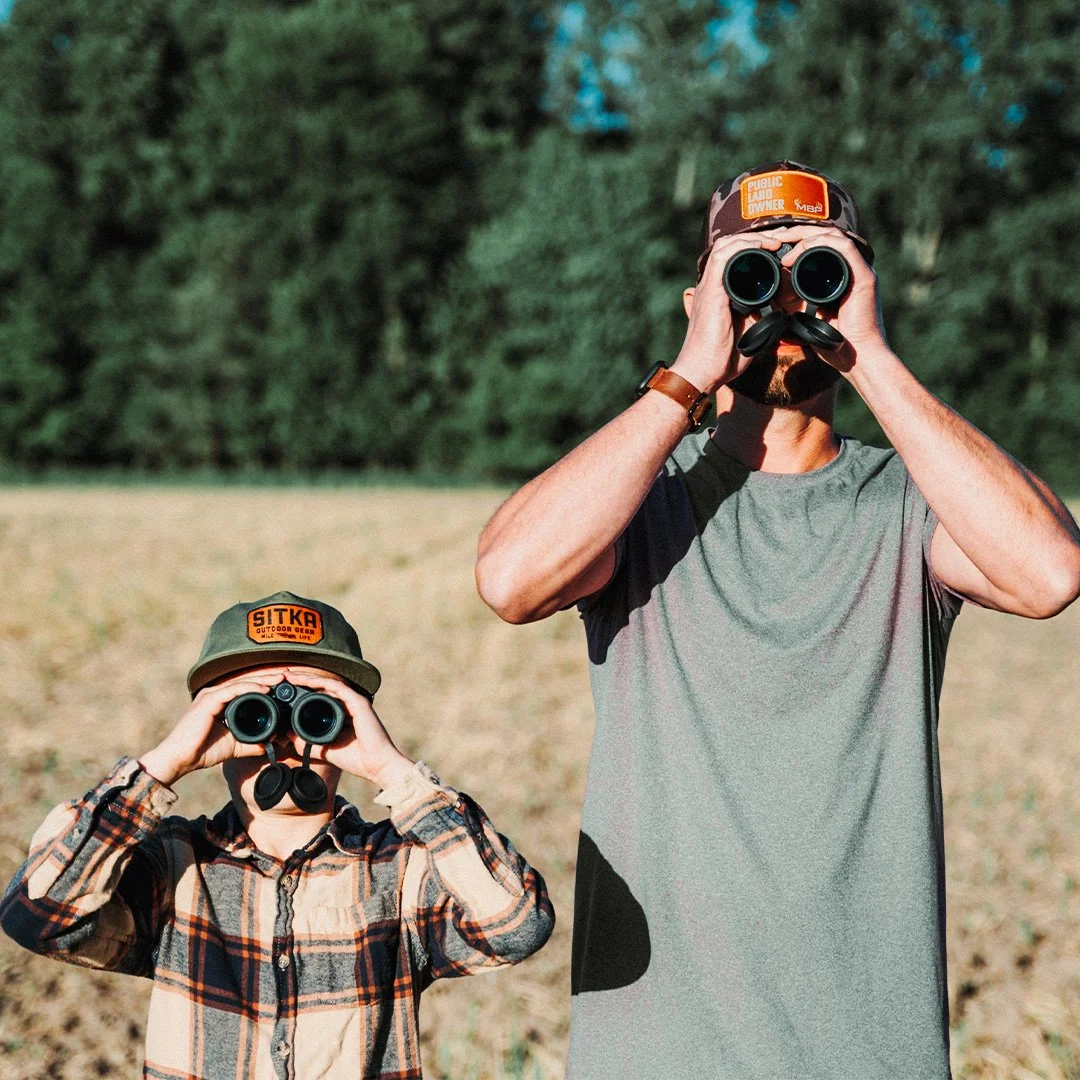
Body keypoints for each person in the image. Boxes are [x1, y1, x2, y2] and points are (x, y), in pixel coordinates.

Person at [474, 161, 1080, 1079]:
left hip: (869, 1054)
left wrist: (868, 355)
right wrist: (688, 376)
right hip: (654, 1053)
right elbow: (512, 580)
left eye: (819, 270)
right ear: (699, 299)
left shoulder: (907, 508)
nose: (782, 298)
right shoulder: (642, 503)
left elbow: (1047, 574)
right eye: (750, 273)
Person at [1, 589, 554, 1080]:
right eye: (251, 712)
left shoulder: (401, 869)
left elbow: (515, 925)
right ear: (212, 719)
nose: (287, 739)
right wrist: (162, 765)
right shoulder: (176, 865)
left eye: (319, 715)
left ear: (356, 718)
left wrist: (395, 772)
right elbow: (38, 916)